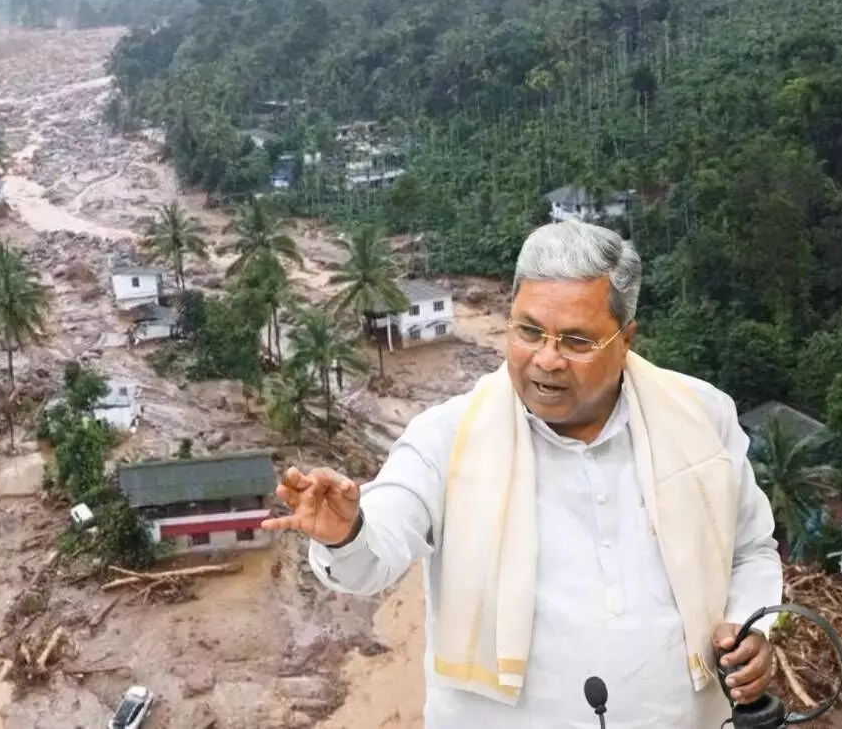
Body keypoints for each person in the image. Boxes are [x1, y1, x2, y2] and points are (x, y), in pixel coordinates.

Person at [264, 221, 783, 728]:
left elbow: (751, 550)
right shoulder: (448, 437)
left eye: (577, 341)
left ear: (626, 339)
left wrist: (750, 625)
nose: (547, 359)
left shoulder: (700, 415)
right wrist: (347, 533)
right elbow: (375, 552)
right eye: (529, 331)